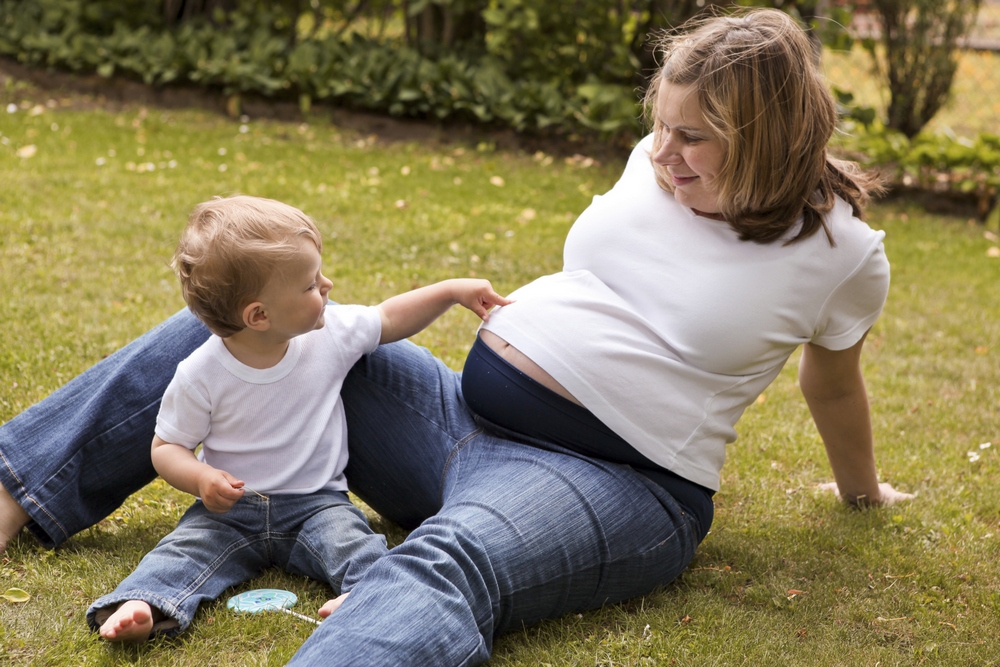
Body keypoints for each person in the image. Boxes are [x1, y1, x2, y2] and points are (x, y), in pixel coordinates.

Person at [0, 7, 912, 665]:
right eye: (659, 127)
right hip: (451, 420)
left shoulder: (841, 255)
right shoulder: (657, 162)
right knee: (242, 335)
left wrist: (861, 491)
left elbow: (831, 383)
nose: (663, 155)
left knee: (447, 562)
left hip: (618, 480)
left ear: (770, 136)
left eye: (696, 140)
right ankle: (15, 493)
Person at [84, 195, 510, 642]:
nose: (327, 286)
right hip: (231, 512)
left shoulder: (331, 335)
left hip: (317, 503)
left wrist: (451, 291)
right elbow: (166, 447)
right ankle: (143, 603)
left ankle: (366, 593)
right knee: (181, 552)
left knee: (356, 546)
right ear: (259, 315)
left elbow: (388, 317)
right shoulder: (199, 374)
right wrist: (199, 479)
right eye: (310, 284)